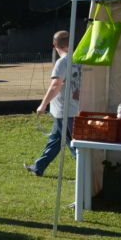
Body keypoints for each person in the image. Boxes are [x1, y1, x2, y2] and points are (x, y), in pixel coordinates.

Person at [25, 30, 82, 176]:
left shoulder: (62, 62)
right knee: (55, 140)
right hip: (71, 109)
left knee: (73, 144)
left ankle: (83, 177)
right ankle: (39, 167)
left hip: (65, 110)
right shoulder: (79, 58)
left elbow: (56, 84)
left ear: (54, 44)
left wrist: (43, 104)